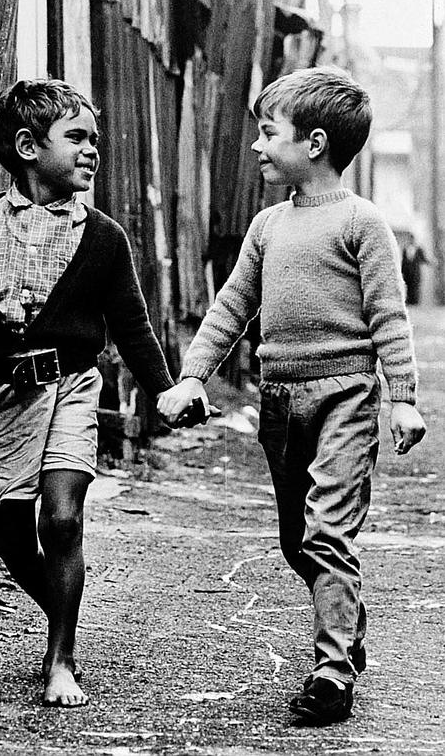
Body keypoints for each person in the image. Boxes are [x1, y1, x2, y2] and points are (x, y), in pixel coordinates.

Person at [158, 67, 426, 725]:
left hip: (346, 398)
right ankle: (346, 618)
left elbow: (388, 314)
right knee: (297, 541)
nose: (255, 145)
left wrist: (403, 397)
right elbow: (231, 306)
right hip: (278, 399)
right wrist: (192, 375)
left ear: (312, 143)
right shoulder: (267, 227)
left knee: (328, 528)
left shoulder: (363, 224)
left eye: (266, 132)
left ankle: (332, 673)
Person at [0, 78, 175, 708]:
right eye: (76, 138)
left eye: (95, 139)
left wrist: (167, 391)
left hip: (71, 386)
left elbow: (132, 323)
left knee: (62, 520)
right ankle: (60, 609)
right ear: (26, 146)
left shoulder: (103, 238)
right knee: (11, 534)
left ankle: (59, 657)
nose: (92, 150)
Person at [401, 233, 429, 305]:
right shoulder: (405, 249)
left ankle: (415, 303)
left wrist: (430, 262)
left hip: (415, 272)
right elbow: (403, 261)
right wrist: (401, 271)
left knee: (415, 287)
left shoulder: (419, 249)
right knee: (408, 287)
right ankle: (409, 303)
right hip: (407, 272)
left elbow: (423, 259)